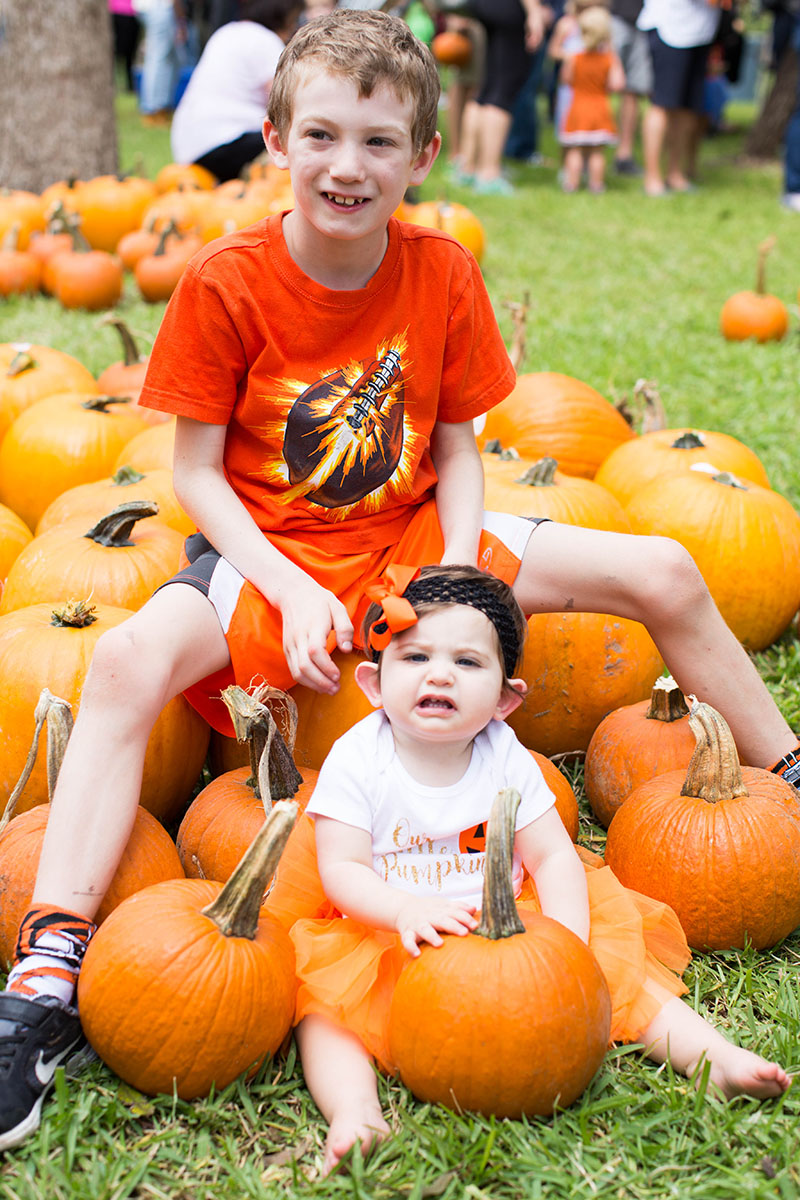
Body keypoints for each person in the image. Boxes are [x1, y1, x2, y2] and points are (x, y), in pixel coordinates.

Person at [0, 5, 799, 1155]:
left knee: (666, 562)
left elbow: (461, 443)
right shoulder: (225, 283)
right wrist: (287, 584)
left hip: (416, 530)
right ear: (275, 138)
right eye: (320, 135)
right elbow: (194, 479)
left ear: (421, 156)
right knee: (124, 658)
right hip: (264, 545)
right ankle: (48, 969)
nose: (347, 165)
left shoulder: (437, 271)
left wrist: (464, 567)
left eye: (379, 141)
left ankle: (783, 763)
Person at [290, 564, 791, 1174]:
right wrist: (404, 911)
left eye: (467, 663)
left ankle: (713, 1058)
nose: (439, 673)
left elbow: (552, 855)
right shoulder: (355, 758)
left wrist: (566, 944)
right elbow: (342, 869)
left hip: (516, 923)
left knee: (627, 977)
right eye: (415, 657)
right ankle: (356, 1113)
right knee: (324, 1012)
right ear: (373, 681)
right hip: (388, 930)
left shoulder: (505, 758)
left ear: (505, 699)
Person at [170, 0, 303, 182]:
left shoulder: (227, 31)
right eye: (294, 19)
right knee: (298, 138)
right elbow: (286, 102)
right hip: (228, 141)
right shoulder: (266, 40)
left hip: (189, 146)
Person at [456, 0, 550, 194]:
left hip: (486, 7)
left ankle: (467, 167)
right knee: (503, 90)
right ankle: (488, 174)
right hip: (510, 9)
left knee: (486, 88)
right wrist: (534, 12)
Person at [636, 0, 721, 195]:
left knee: (688, 106)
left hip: (701, 32)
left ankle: (676, 174)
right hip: (671, 29)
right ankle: (652, 178)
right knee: (661, 103)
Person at [559, 6, 625, 191]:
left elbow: (566, 79)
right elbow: (618, 84)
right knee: (597, 152)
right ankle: (596, 185)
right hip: (599, 109)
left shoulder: (574, 57)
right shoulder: (608, 59)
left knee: (575, 150)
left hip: (578, 109)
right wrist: (614, 56)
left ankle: (571, 183)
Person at [609, 0, 652, 175]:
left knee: (633, 90)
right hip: (613, 16)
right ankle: (584, 151)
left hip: (645, 20)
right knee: (594, 86)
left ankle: (624, 156)